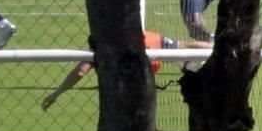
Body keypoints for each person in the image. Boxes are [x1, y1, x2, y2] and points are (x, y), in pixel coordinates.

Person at [41, 30, 211, 110]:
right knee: (182, 46)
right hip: (149, 42)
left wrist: (57, 93)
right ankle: (215, 47)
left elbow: (79, 72)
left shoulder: (100, 49)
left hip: (142, 60)